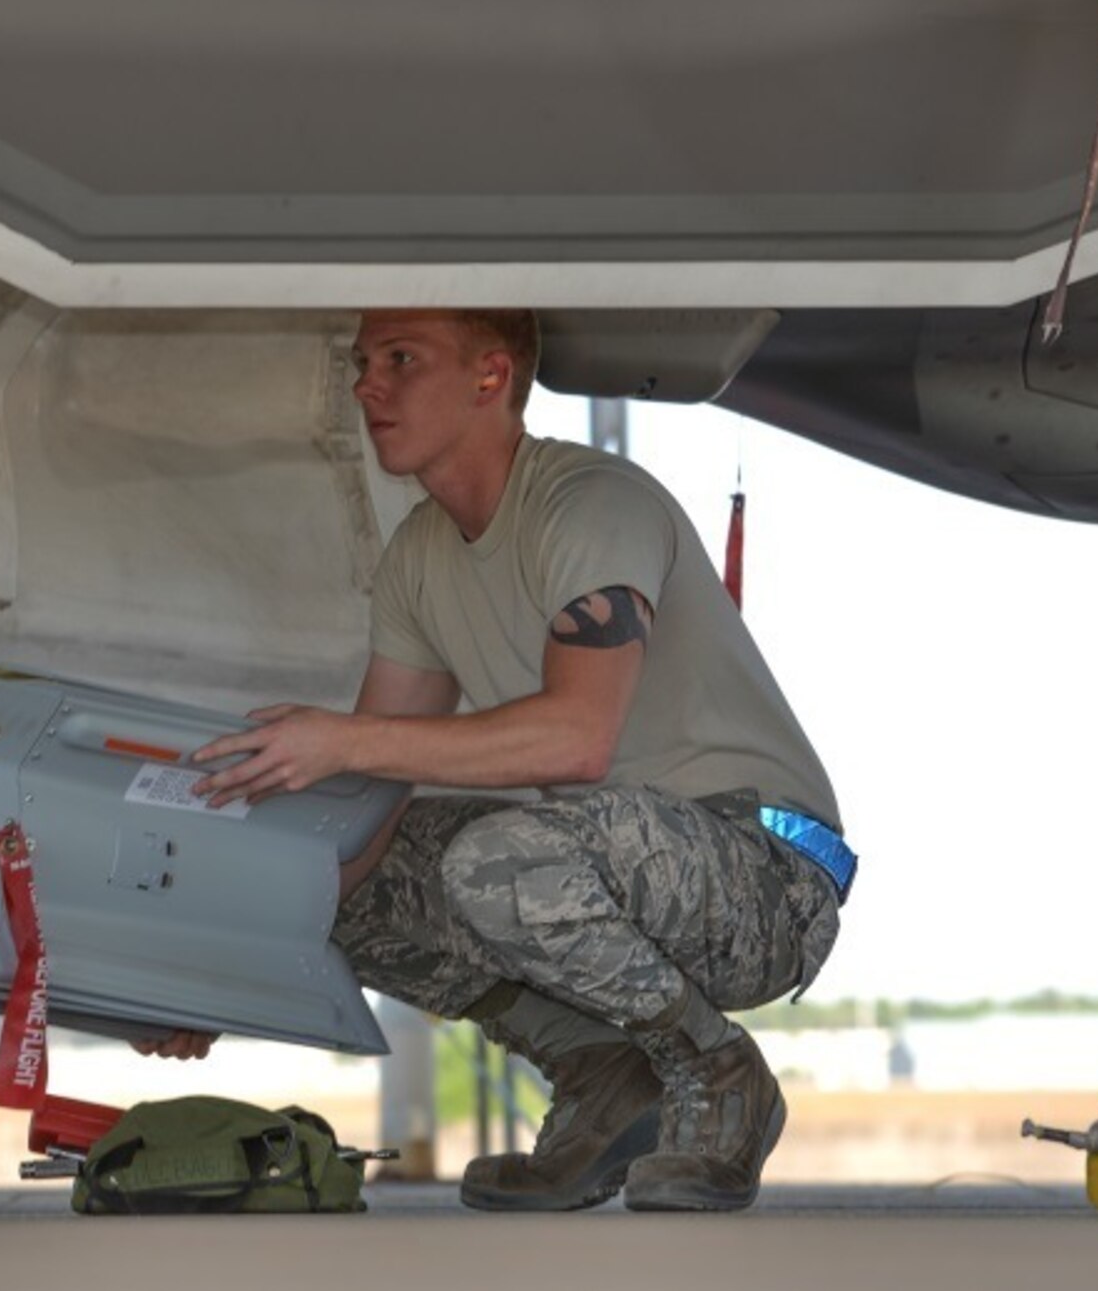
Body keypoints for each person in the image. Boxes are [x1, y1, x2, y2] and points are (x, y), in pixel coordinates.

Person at [140, 308, 853, 1214]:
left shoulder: (589, 504)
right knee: (342, 881)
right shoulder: (419, 559)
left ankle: (715, 1070)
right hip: (609, 856)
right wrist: (228, 975)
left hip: (764, 872)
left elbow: (576, 737)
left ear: (492, 376)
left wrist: (340, 736)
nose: (368, 385)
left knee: (500, 859)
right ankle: (604, 1075)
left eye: (402, 359)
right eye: (364, 362)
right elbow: (362, 817)